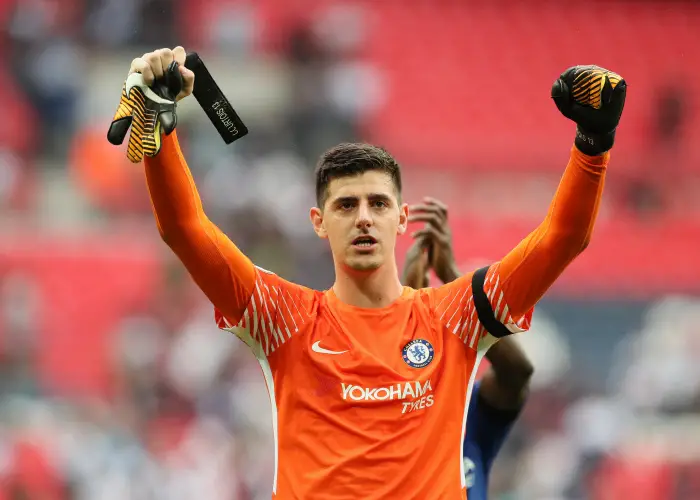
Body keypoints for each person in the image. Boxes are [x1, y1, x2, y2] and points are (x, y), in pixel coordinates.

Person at [107, 47, 626, 499]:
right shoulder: (283, 318)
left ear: (402, 218)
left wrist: (594, 142)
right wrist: (163, 132)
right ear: (318, 222)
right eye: (345, 205)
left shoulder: (455, 316)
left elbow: (563, 239)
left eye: (378, 203)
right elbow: (184, 229)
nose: (363, 217)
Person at [402, 197, 533, 500]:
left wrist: (452, 277)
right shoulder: (370, 418)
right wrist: (406, 303)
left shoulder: (470, 419)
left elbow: (517, 373)